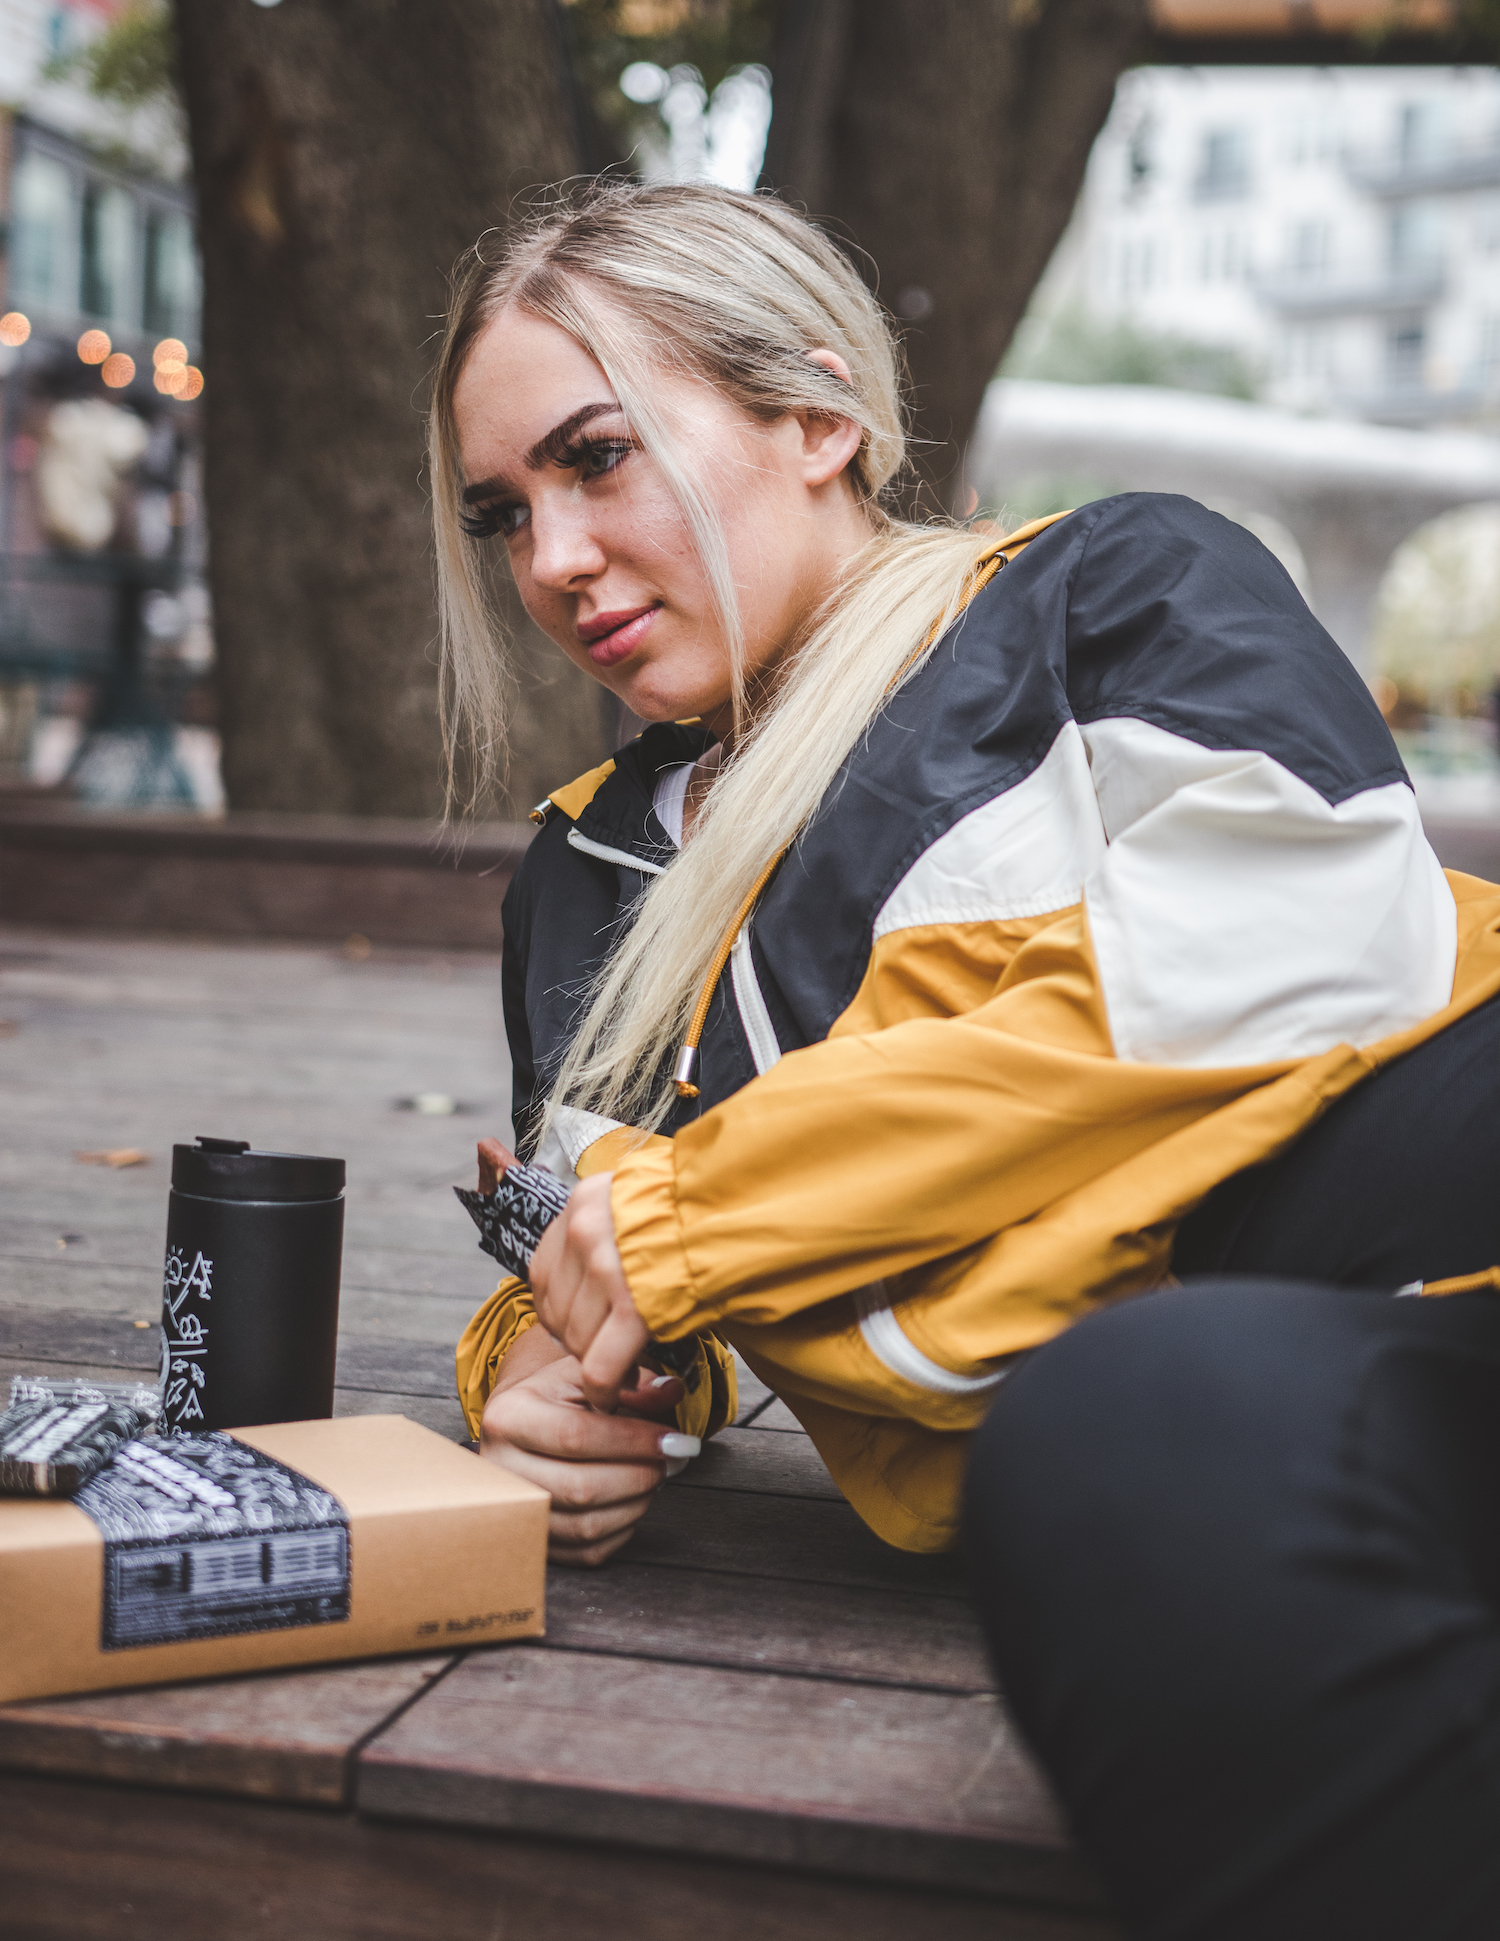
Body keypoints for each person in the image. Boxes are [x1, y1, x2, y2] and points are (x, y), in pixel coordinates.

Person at [429, 182, 1500, 1936]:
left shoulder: (1112, 583)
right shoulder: (583, 883)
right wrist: (537, 1391)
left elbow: (1313, 934)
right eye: (504, 513)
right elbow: (591, 1250)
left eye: (599, 457)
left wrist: (703, 1224)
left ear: (819, 416)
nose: (551, 559)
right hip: (1227, 1425)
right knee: (1122, 1437)